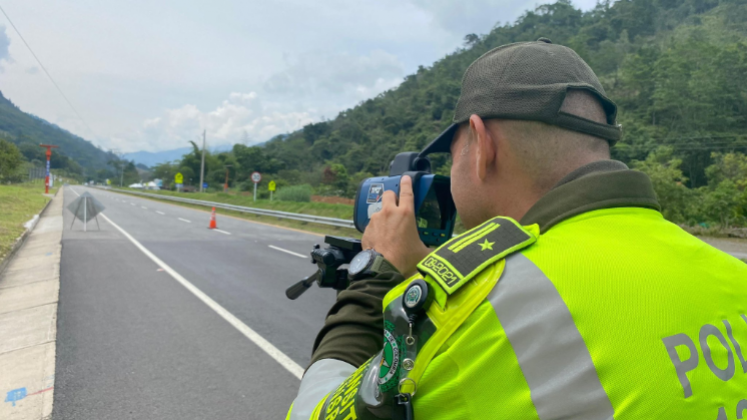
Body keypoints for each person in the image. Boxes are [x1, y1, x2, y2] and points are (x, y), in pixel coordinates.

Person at [287, 38, 747, 420]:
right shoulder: (729, 274)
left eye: (454, 155)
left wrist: (375, 280)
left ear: (482, 144)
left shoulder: (470, 305)